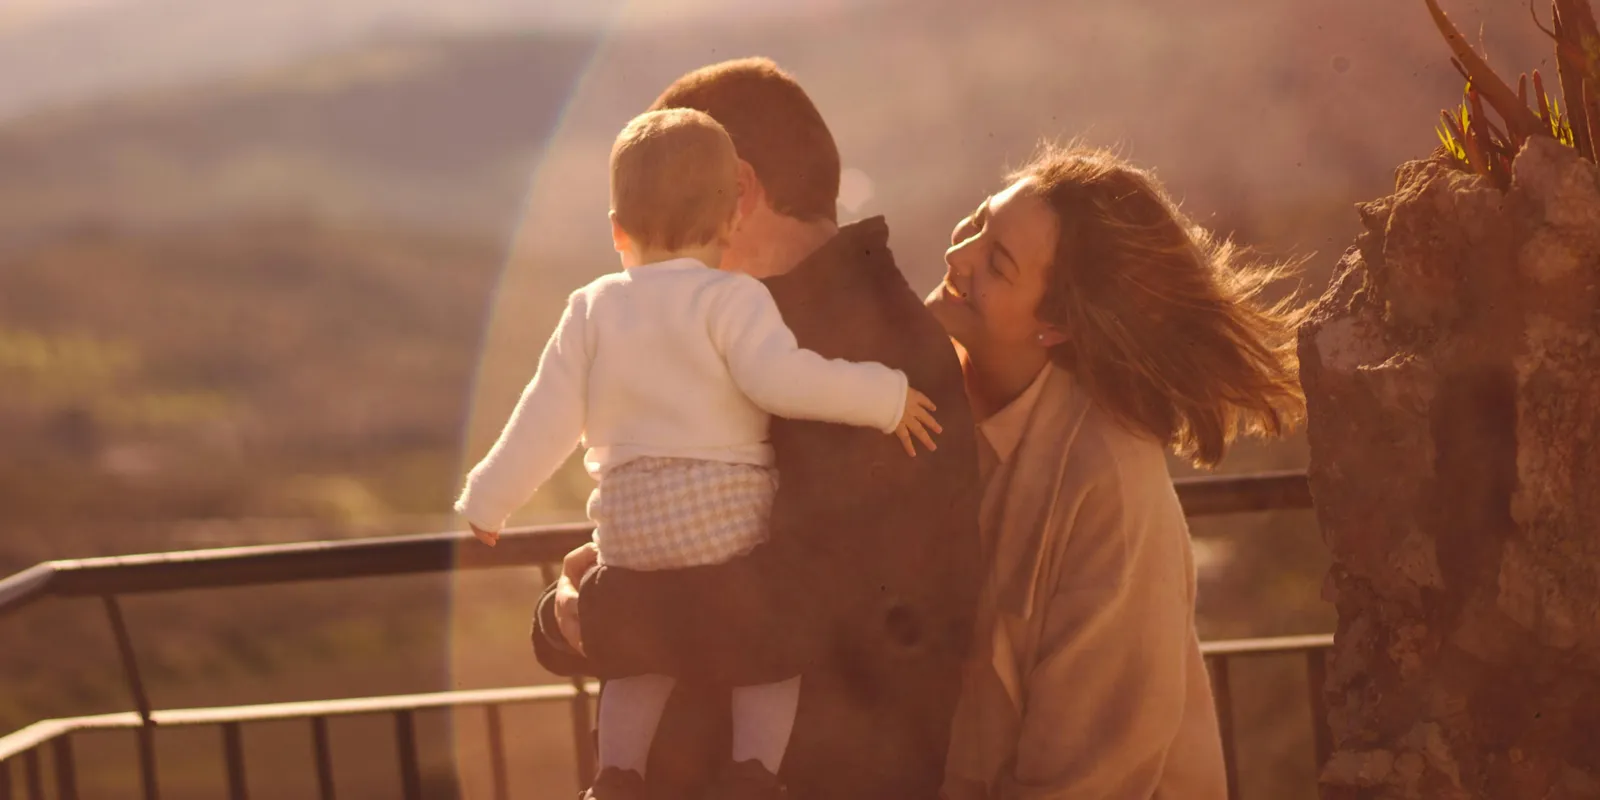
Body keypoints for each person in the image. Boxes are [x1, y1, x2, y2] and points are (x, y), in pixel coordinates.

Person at [454, 107, 943, 799]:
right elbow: (784, 380)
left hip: (629, 530)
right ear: (729, 220)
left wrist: (489, 499)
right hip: (722, 524)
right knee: (772, 655)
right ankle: (755, 773)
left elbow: (546, 415)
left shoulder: (590, 308)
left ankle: (617, 775)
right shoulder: (734, 300)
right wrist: (885, 397)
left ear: (618, 231)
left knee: (637, 658)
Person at [929, 143, 1306, 799]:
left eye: (998, 263)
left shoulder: (1106, 481)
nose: (956, 258)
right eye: (978, 225)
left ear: (1056, 327)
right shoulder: (920, 403)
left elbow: (1083, 780)